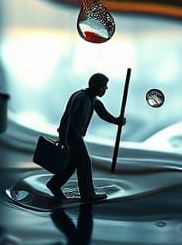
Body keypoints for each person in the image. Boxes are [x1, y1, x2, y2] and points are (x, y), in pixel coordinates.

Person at [47, 73, 126, 202]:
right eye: (104, 87)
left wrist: (116, 121)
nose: (105, 89)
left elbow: (103, 113)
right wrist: (63, 138)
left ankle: (55, 184)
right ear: (97, 86)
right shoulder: (81, 98)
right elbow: (68, 119)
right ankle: (87, 194)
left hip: (74, 135)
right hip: (72, 135)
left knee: (73, 163)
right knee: (84, 162)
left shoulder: (92, 99)